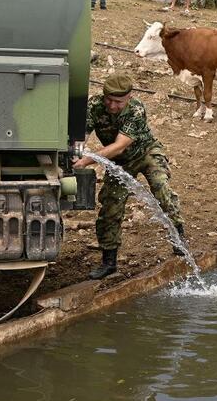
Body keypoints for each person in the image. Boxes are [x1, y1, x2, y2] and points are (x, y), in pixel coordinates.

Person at [74, 73, 187, 279]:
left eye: (118, 102)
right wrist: (76, 151)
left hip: (146, 154)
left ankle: (178, 237)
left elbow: (119, 146)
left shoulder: (135, 109)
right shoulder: (94, 106)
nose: (112, 105)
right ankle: (109, 261)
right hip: (120, 163)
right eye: (108, 99)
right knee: (110, 206)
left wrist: (85, 161)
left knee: (161, 189)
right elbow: (81, 135)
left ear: (128, 97)